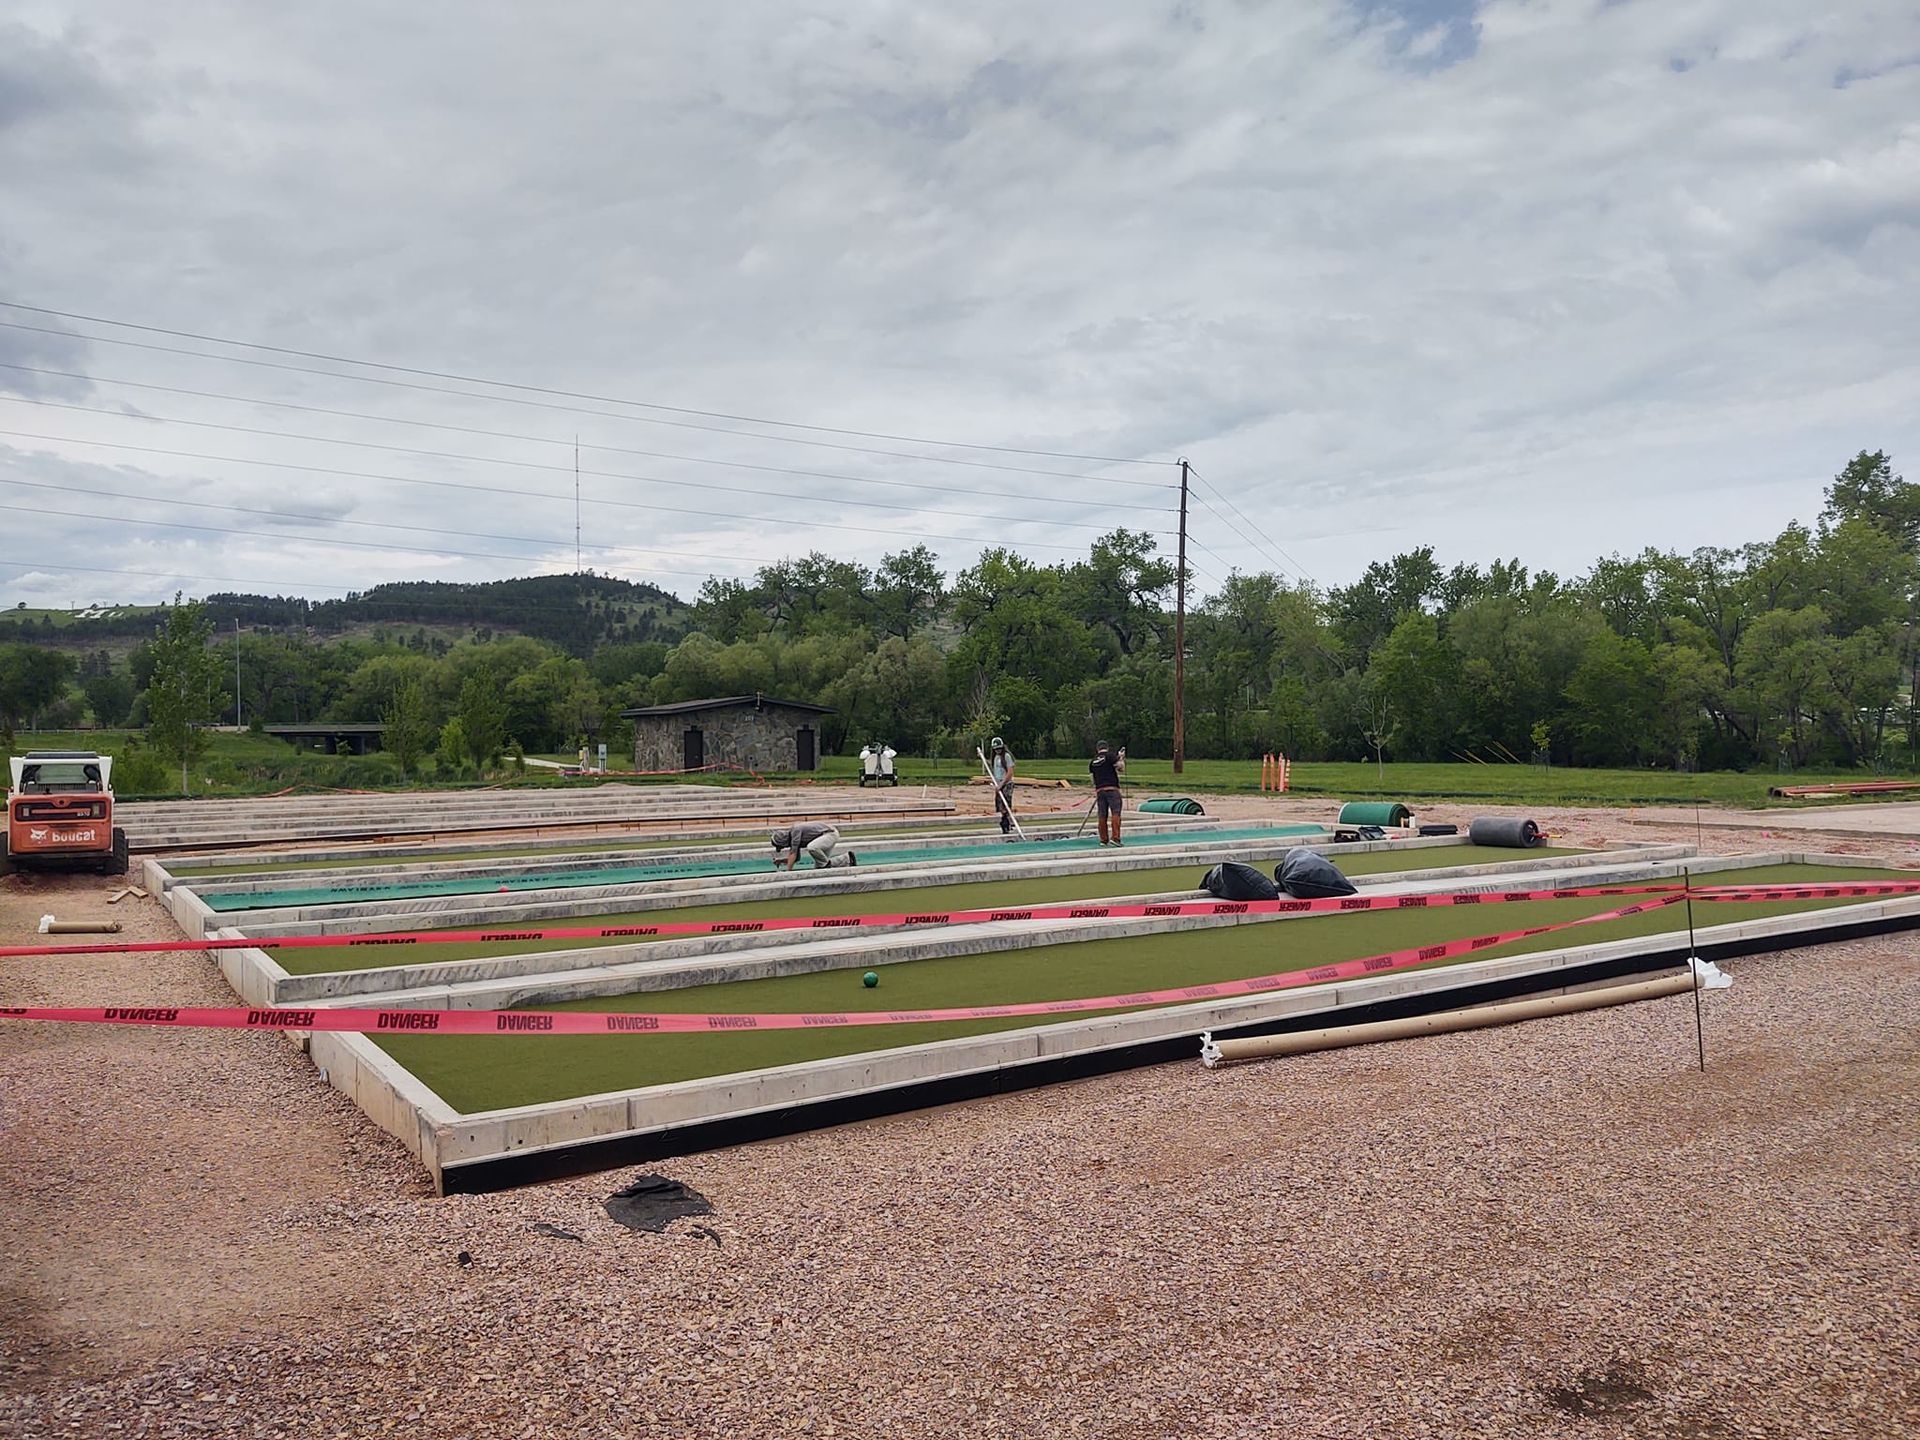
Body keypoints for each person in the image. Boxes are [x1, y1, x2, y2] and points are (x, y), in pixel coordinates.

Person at [770, 822, 857, 871]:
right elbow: (796, 858)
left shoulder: (795, 831)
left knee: (812, 847)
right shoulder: (794, 840)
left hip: (829, 834)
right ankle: (847, 859)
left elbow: (792, 853)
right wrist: (781, 861)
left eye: (781, 846)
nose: (783, 848)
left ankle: (828, 864)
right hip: (824, 837)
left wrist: (788, 873)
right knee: (819, 870)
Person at [1089, 740, 1127, 845]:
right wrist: (1121, 758)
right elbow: (1120, 768)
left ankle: (1103, 839)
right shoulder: (1110, 756)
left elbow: (1092, 779)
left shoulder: (1093, 761)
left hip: (1100, 790)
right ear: (1107, 748)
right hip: (1112, 788)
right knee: (1115, 812)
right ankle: (1115, 838)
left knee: (1102, 815)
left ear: (1097, 749)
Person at [987, 736, 1016, 836]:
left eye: (999, 748)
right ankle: (1005, 821)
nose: (998, 750)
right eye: (996, 749)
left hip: (1006, 784)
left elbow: (1010, 772)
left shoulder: (1007, 756)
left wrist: (1002, 784)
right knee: (1000, 805)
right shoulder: (995, 758)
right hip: (998, 783)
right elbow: (995, 772)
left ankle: (1007, 822)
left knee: (1006, 804)